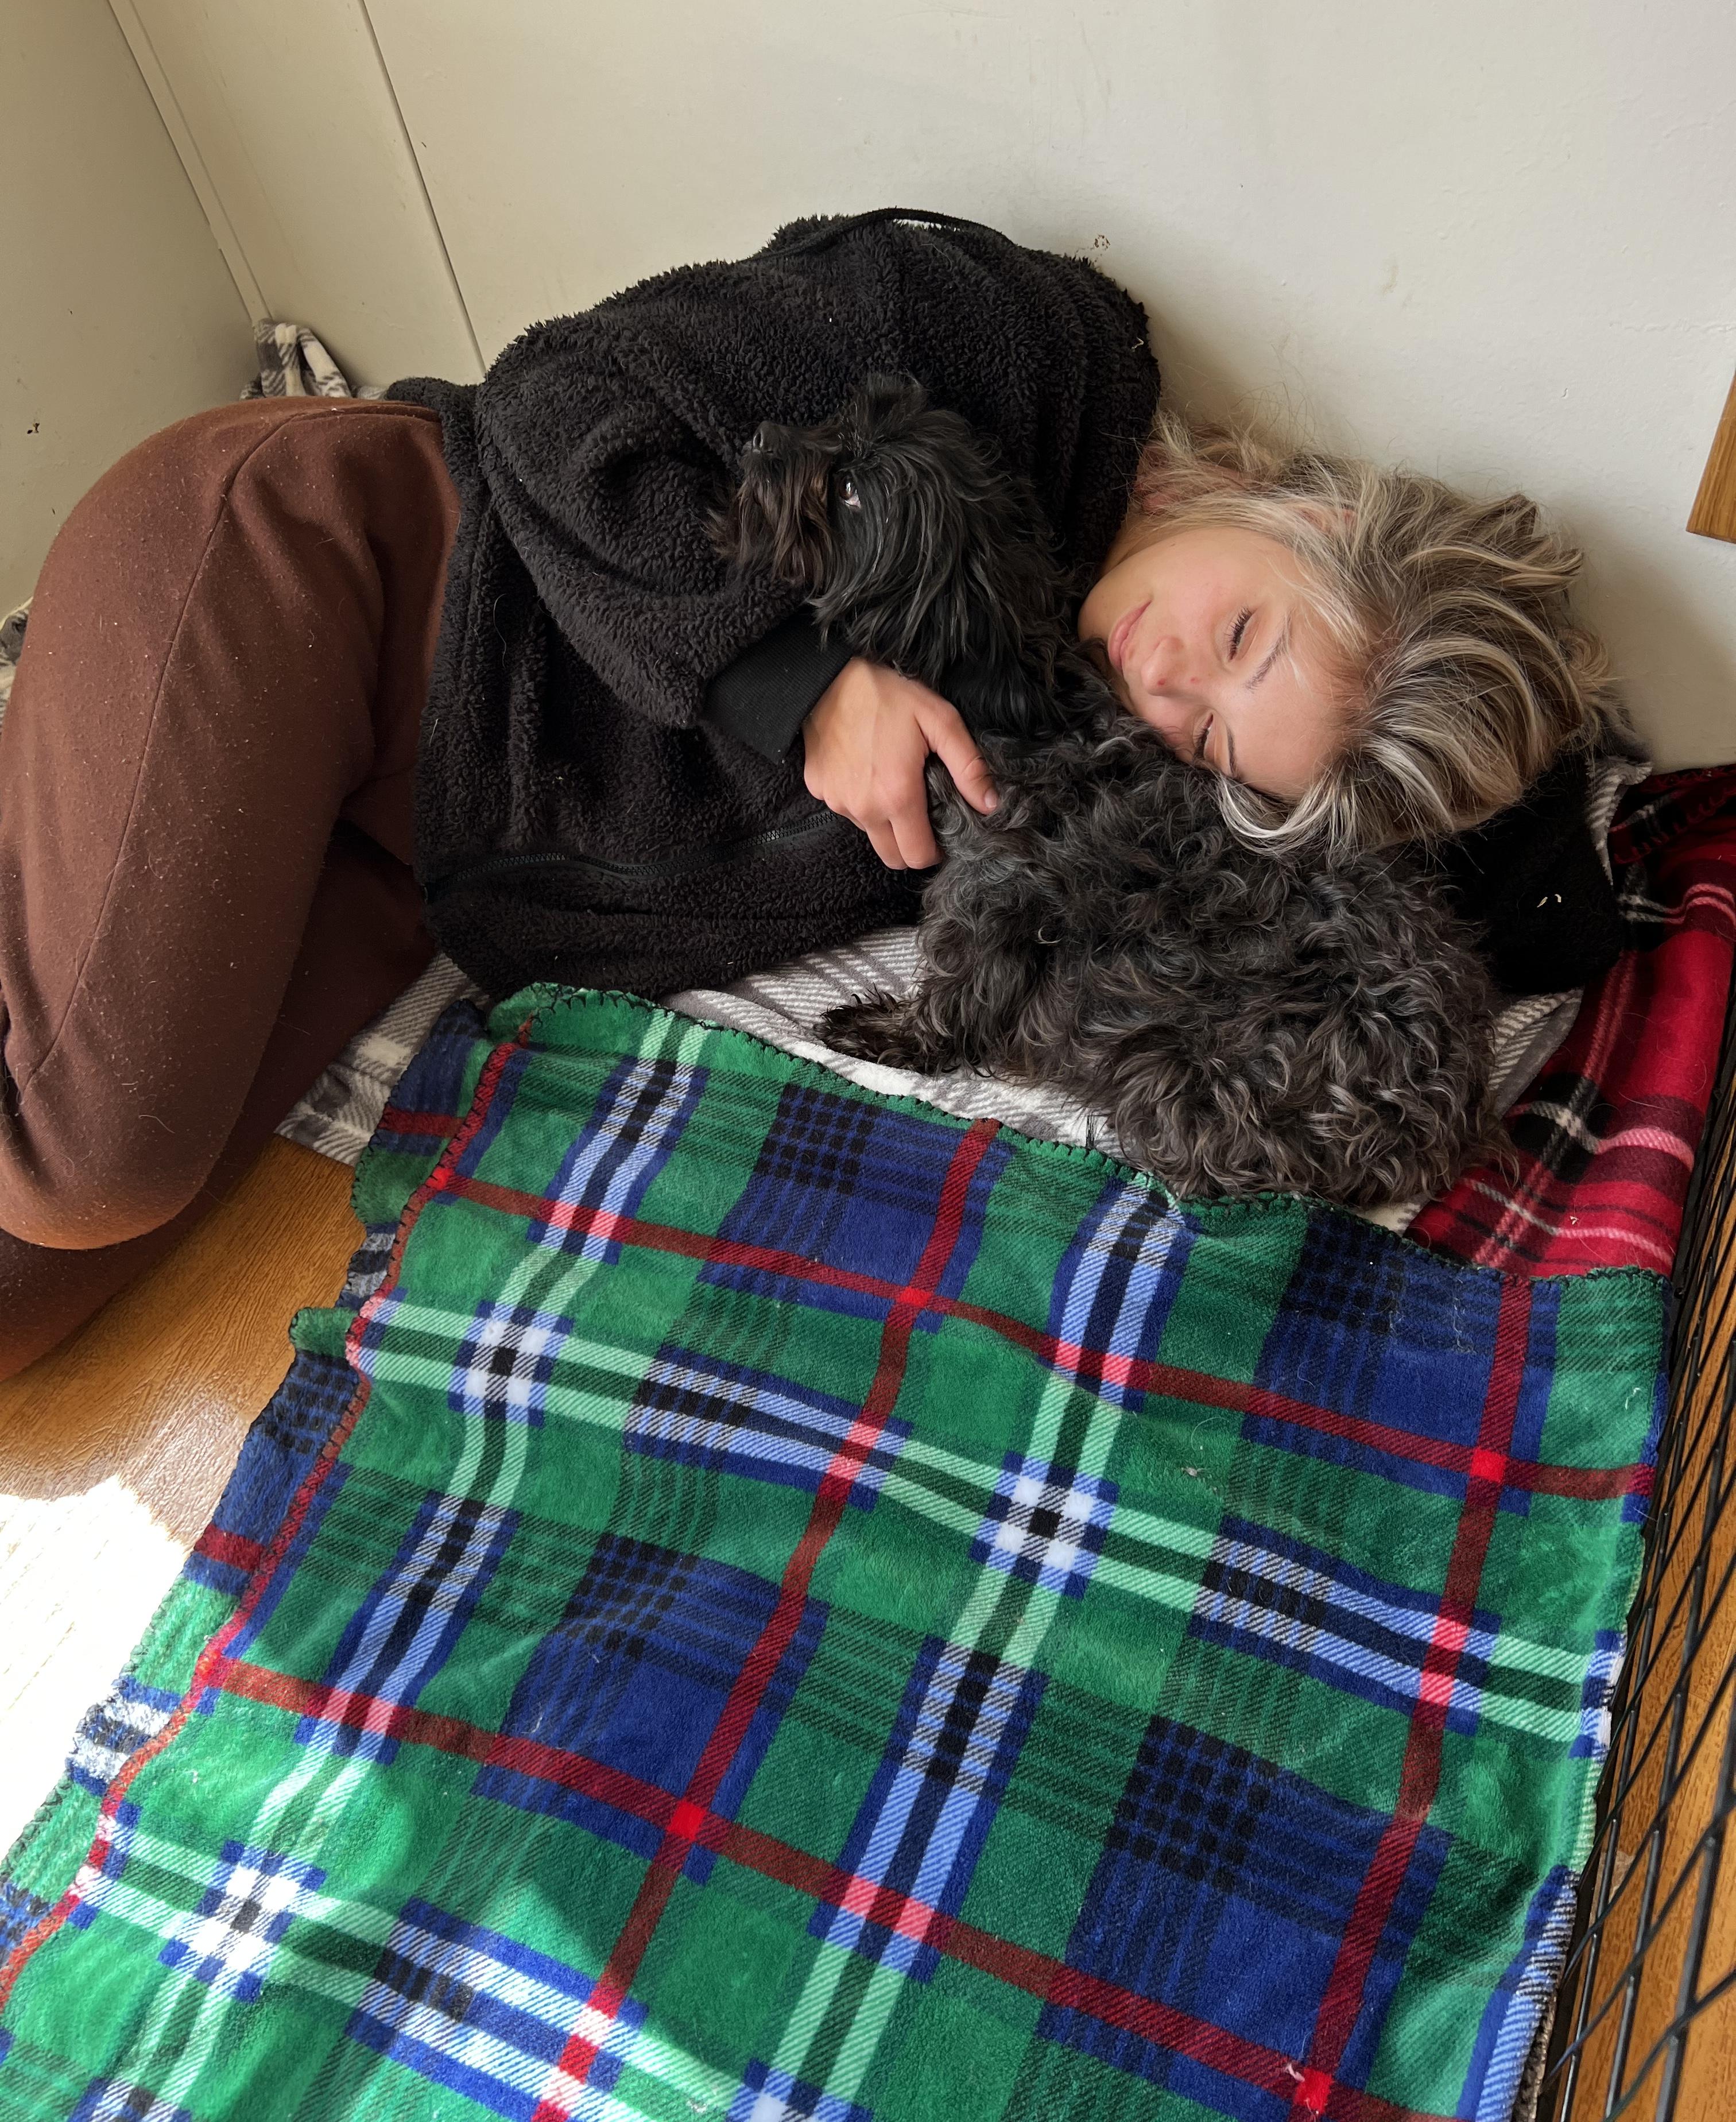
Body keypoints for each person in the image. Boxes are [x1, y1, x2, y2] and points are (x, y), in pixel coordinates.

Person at [0, 323, 1617, 1380]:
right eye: (1244, 631)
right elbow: (557, 398)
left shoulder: (1088, 730)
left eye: (1208, 744)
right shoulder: (1019, 346)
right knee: (91, 1161)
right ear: (1311, 513)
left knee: (31, 1295)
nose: (1166, 685)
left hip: (435, 846)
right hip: (337, 579)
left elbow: (1484, 903)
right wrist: (799, 681)